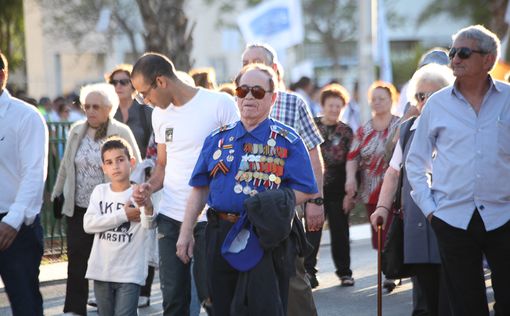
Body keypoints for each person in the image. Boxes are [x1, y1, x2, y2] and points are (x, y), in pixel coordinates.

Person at [176, 63, 318, 315]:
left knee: (263, 308)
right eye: (242, 91)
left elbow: (307, 189)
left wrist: (271, 204)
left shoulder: (288, 140)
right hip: (220, 231)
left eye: (257, 91)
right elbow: (199, 189)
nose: (249, 97)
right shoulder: (217, 139)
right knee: (221, 306)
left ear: (273, 98)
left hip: (263, 236)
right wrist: (185, 232)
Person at [406, 25, 510, 316]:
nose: (454, 59)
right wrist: (431, 210)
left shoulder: (509, 99)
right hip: (452, 219)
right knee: (466, 306)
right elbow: (416, 161)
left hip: (505, 217)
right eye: (452, 53)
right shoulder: (436, 104)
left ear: (488, 59)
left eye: (463, 53)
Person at [130, 52, 240, 316]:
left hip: (208, 218)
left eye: (144, 93)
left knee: (212, 298)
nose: (144, 100)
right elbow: (163, 166)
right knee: (174, 302)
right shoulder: (159, 115)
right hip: (170, 217)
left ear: (161, 82)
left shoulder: (219, 103)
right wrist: (149, 187)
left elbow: (236, 162)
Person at [241, 43, 325, 316]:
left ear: (273, 69)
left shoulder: (292, 102)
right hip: (244, 210)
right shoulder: (235, 100)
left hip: (283, 208)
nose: (250, 65)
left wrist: (316, 200)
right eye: (246, 61)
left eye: (257, 61)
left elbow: (313, 153)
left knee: (292, 278)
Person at [370, 63, 454, 316]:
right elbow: (394, 172)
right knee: (424, 291)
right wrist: (382, 207)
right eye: (420, 95)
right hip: (417, 220)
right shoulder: (407, 130)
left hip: (451, 219)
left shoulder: (456, 126)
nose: (426, 100)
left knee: (451, 293)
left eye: (433, 94)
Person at [51, 82, 141, 316]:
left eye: (95, 107)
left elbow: (137, 166)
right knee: (77, 260)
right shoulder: (76, 131)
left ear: (109, 108)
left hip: (111, 207)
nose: (90, 111)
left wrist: (137, 195)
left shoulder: (121, 132)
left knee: (108, 258)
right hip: (79, 207)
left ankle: (111, 305)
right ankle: (74, 309)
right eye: (86, 106)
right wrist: (57, 192)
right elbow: (66, 164)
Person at [83, 137, 155, 316]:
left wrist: (147, 206)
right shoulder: (100, 192)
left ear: (132, 162)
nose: (115, 166)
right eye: (109, 162)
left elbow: (150, 225)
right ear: (104, 168)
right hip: (102, 271)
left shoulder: (139, 193)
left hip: (129, 273)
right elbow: (88, 224)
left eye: (120, 160)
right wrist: (123, 215)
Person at [0, 51, 47, 316]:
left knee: (25, 304)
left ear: (2, 76)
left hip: (16, 228)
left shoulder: (25, 117)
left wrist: (12, 220)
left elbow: (34, 173)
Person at [106, 63, 155, 307]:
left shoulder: (145, 112)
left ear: (134, 86)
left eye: (123, 82)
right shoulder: (109, 114)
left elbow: (154, 148)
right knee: (118, 235)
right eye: (114, 82)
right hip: (116, 180)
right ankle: (116, 290)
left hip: (144, 179)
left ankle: (143, 291)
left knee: (142, 233)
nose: (118, 87)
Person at [345, 80, 400, 290]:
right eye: (373, 99)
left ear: (391, 100)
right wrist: (350, 178)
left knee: (392, 232)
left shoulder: (400, 124)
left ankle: (391, 272)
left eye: (382, 98)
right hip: (370, 189)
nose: (377, 102)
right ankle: (387, 267)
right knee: (378, 234)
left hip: (395, 189)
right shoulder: (364, 130)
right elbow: (352, 156)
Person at [304, 83, 354, 287]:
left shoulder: (346, 131)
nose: (334, 109)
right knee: (312, 232)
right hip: (314, 189)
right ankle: (308, 272)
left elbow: (352, 162)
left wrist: (350, 194)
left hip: (338, 190)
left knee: (340, 232)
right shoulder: (312, 126)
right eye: (330, 105)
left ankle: (344, 272)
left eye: (338, 106)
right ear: (322, 105)